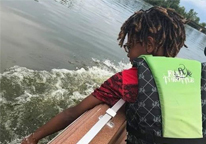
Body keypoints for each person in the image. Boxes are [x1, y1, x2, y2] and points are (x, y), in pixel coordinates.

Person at [21, 6, 199, 144]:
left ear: (149, 44)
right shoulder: (195, 79)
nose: (128, 54)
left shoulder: (126, 80)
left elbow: (72, 113)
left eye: (129, 47)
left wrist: (34, 138)